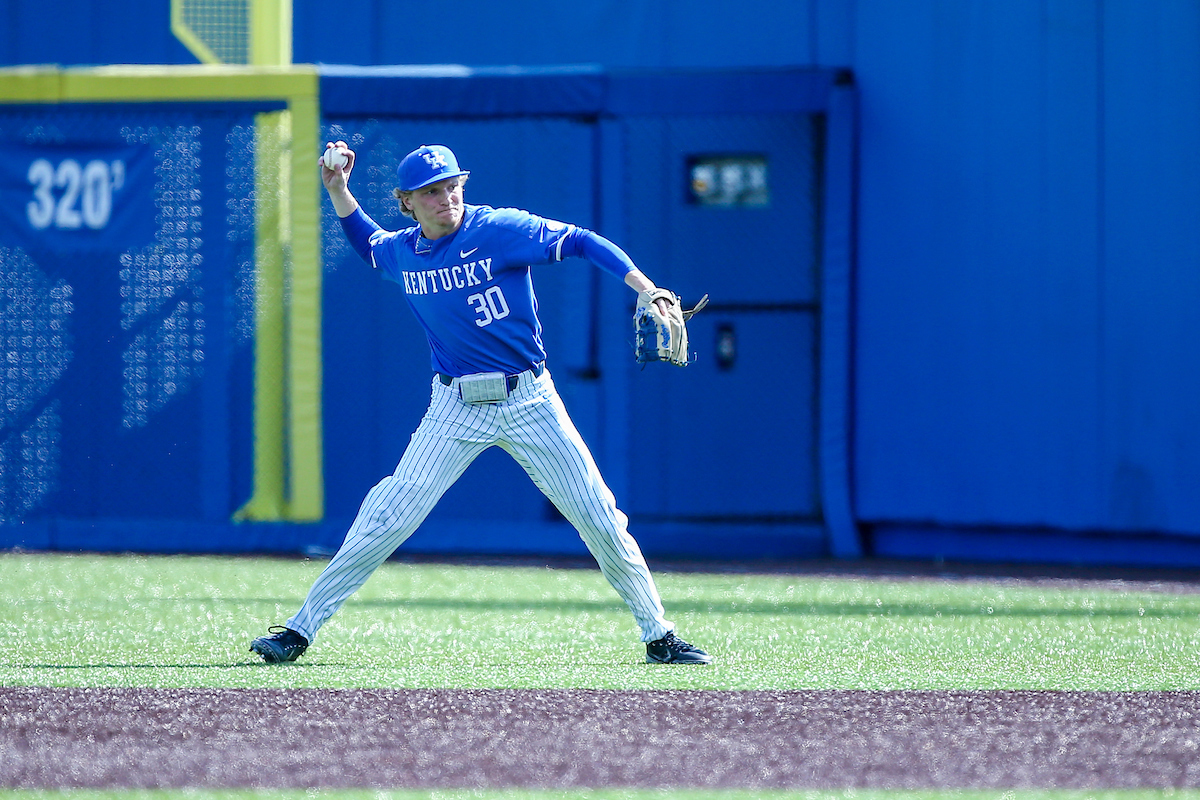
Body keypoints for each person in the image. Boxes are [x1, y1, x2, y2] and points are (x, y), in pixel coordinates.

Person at [250, 142, 710, 666]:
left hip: (530, 399)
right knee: (388, 513)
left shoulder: (498, 229)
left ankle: (660, 636)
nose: (446, 197)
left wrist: (645, 287)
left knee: (599, 515)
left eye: (452, 186)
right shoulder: (405, 250)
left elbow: (580, 241)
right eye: (431, 191)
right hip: (454, 407)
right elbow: (370, 245)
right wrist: (338, 191)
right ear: (407, 201)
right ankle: (299, 629)